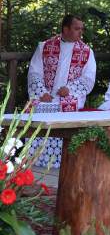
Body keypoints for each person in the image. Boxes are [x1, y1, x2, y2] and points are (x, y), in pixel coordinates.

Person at [27, 14, 96, 168]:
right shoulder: (44, 46)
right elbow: (34, 72)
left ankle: (64, 162)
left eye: (81, 29)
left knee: (66, 111)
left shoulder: (86, 51)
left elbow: (89, 77)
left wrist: (70, 89)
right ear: (65, 29)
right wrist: (41, 92)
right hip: (45, 97)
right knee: (36, 110)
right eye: (77, 29)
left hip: (71, 98)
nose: (80, 32)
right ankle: (37, 160)